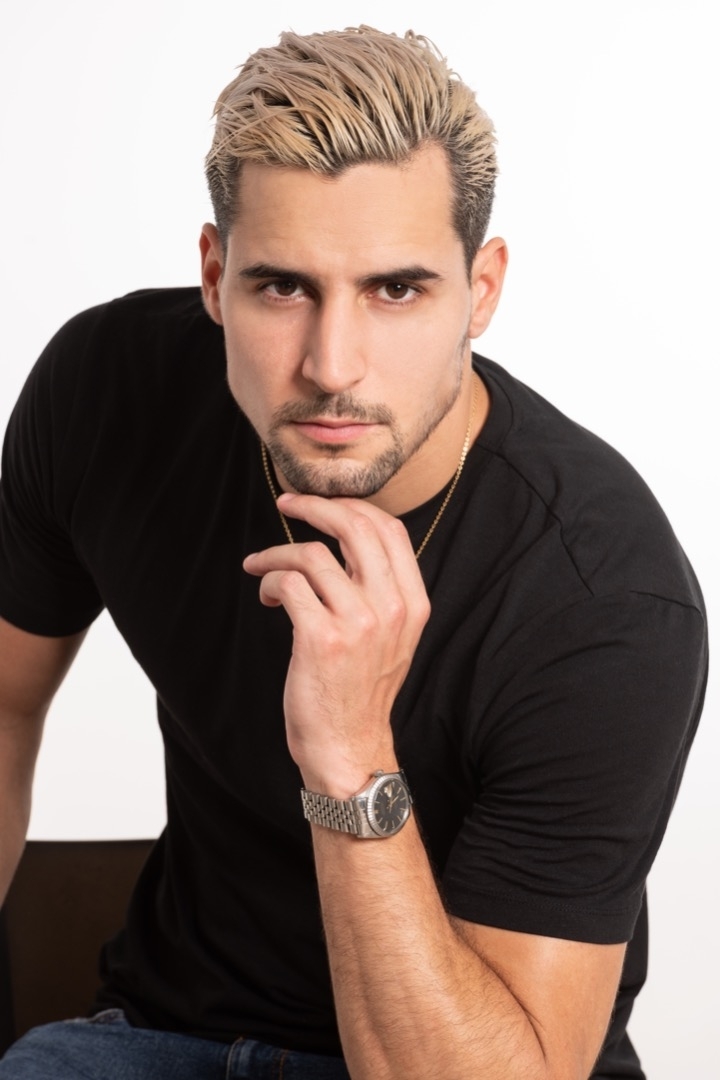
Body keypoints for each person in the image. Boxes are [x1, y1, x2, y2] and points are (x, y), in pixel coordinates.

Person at [0, 25, 706, 1080]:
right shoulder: (110, 393)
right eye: (283, 287)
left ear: (482, 290)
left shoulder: (603, 597)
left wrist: (349, 752)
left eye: (396, 290)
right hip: (156, 1037)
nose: (332, 367)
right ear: (214, 275)